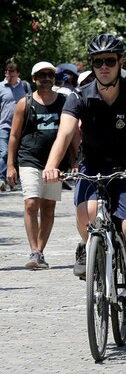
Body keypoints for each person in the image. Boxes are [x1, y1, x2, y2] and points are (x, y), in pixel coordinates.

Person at [42, 34, 126, 326]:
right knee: (86, 212)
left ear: (120, 62)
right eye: (97, 62)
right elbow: (64, 133)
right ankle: (86, 245)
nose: (104, 67)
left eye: (109, 61)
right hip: (92, 166)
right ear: (91, 65)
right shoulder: (79, 96)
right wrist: (52, 167)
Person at [6, 62, 73, 269]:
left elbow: (72, 134)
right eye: (42, 75)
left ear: (54, 78)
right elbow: (14, 135)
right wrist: (10, 164)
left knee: (48, 207)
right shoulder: (24, 103)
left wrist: (74, 161)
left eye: (50, 75)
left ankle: (40, 252)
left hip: (55, 162)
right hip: (29, 159)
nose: (46, 78)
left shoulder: (64, 102)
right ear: (34, 78)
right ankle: (33, 250)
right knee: (31, 203)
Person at [0, 62, 32, 191]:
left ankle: (14, 180)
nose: (10, 76)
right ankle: (1, 179)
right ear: (5, 73)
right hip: (4, 125)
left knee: (19, 154)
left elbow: (31, 102)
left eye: (12, 73)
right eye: (8, 73)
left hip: (22, 126)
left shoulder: (25, 86)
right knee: (4, 152)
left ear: (18, 73)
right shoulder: (0, 87)